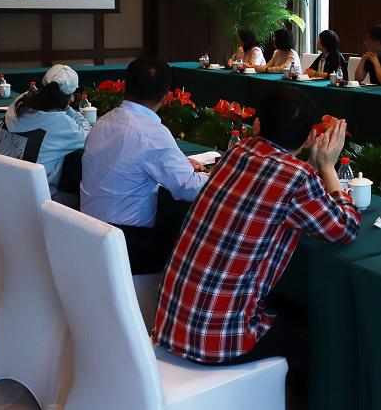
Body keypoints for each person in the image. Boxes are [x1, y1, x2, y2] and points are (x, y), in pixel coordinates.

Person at [154, 88, 360, 373]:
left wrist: (312, 168)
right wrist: (328, 167)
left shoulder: (236, 151)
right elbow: (346, 229)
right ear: (310, 138)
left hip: (169, 324)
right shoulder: (297, 178)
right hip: (219, 341)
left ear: (257, 124)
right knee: (320, 337)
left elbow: (279, 184)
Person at [80, 57, 209, 275]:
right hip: (127, 245)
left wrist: (177, 163)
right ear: (165, 97)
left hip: (87, 232)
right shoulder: (152, 133)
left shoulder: (103, 121)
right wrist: (216, 175)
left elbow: (127, 159)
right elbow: (188, 188)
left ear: (125, 87)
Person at [4, 64, 91, 191]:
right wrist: (68, 109)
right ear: (70, 97)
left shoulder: (19, 103)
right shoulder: (61, 122)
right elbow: (90, 138)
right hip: (36, 197)